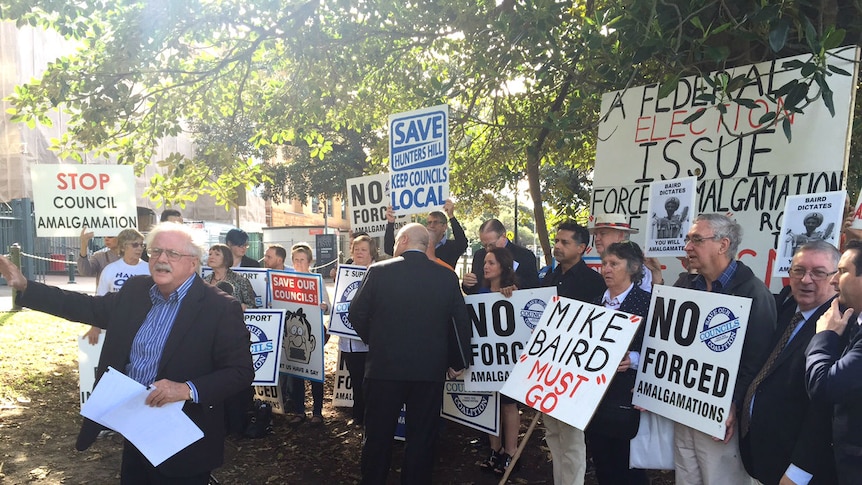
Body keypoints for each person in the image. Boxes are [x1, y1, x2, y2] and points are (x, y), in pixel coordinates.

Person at [0, 223, 253, 483]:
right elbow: (85, 306)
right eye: (156, 252)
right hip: (135, 430)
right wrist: (25, 286)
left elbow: (240, 371)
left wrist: (186, 389)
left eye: (172, 254)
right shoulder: (136, 291)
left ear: (193, 262)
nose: (161, 259)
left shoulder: (219, 308)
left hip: (184, 440)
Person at [349, 223, 470, 485]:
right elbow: (460, 323)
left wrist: (376, 340)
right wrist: (458, 361)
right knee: (421, 438)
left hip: (384, 369)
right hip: (428, 371)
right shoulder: (447, 277)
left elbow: (355, 313)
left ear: (403, 240)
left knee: (378, 436)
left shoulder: (378, 271)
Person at [673, 213, 776, 484]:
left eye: (696, 239)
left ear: (722, 245)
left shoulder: (754, 293)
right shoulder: (684, 286)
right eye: (688, 239)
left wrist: (735, 403)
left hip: (720, 420)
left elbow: (758, 361)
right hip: (683, 410)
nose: (687, 247)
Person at [739, 240, 840, 485]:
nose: (806, 280)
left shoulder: (838, 327)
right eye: (798, 270)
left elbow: (825, 410)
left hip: (798, 472)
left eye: (818, 273)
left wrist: (799, 472)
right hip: (761, 458)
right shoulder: (784, 310)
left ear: (836, 278)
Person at [540, 221, 606, 485]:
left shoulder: (593, 282)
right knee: (552, 434)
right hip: (546, 367)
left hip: (574, 371)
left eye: (564, 242)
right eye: (556, 241)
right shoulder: (548, 277)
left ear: (582, 248)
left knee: (572, 438)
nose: (557, 246)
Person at [586, 241, 650, 485]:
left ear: (633, 267)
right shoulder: (592, 304)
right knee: (603, 462)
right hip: (595, 399)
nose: (606, 269)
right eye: (604, 263)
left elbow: (660, 351)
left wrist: (633, 359)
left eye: (614, 264)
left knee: (629, 466)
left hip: (627, 399)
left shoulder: (649, 303)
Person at [806, 238, 862, 483]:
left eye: (842, 271)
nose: (833, 280)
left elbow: (824, 386)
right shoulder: (851, 321)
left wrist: (824, 336)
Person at [475, 246, 522, 475]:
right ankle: (495, 450)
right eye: (485, 262)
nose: (486, 266)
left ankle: (511, 452)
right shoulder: (480, 294)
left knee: (508, 405)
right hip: (487, 362)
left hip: (509, 363)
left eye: (491, 262)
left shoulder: (514, 293)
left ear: (503, 267)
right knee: (492, 405)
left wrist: (513, 295)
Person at [286, 243, 330, 426]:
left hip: (313, 333)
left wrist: (323, 306)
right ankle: (299, 411)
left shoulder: (317, 280)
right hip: (293, 335)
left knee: (315, 374)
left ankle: (318, 412)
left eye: (302, 260)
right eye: (295, 260)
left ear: (309, 261)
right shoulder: (286, 281)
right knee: (296, 373)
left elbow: (328, 306)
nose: (298, 263)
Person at [83, 229, 151, 345]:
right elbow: (100, 300)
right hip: (116, 326)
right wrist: (95, 326)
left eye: (141, 245)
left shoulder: (149, 269)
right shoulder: (110, 269)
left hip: (143, 327)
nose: (139, 248)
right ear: (123, 247)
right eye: (135, 245)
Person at [338, 235, 376, 426]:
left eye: (363, 249)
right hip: (348, 340)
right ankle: (358, 415)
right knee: (355, 378)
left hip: (369, 341)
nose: (359, 252)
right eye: (356, 249)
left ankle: (370, 417)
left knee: (369, 382)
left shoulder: (378, 272)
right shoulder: (343, 272)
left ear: (371, 253)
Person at [383, 199, 468, 268]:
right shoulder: (418, 245)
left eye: (435, 222)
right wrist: (390, 223)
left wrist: (451, 216)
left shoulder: (451, 247)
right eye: (429, 222)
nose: (431, 226)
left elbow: (463, 243)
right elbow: (389, 248)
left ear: (444, 226)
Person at [462, 219, 539, 294]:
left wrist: (514, 289)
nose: (488, 249)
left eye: (491, 244)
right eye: (484, 245)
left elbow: (533, 287)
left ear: (503, 236)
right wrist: (467, 284)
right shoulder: (479, 255)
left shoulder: (524, 256)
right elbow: (474, 290)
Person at [589, 212, 662, 288]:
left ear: (620, 235)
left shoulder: (639, 266)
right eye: (595, 235)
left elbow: (645, 297)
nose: (597, 239)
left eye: (603, 233)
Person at [203, 244, 257, 311]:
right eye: (210, 254)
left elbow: (252, 307)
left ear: (226, 258)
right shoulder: (204, 282)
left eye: (217, 254)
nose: (211, 257)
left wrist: (243, 307)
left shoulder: (240, 280)